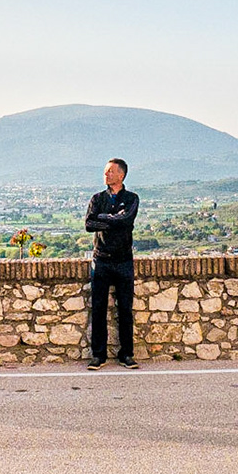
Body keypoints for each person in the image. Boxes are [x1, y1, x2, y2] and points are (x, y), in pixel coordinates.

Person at [85, 158, 139, 369]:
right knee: (98, 309)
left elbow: (127, 221)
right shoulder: (97, 198)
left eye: (110, 172)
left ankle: (127, 354)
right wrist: (114, 218)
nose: (105, 175)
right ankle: (99, 355)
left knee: (125, 309)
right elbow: (89, 224)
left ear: (121, 175)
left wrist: (104, 218)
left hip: (124, 261)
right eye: (105, 171)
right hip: (102, 261)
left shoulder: (132, 198)